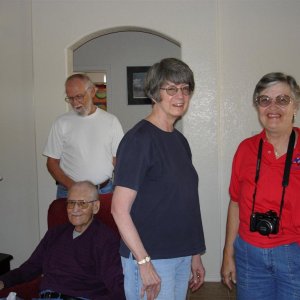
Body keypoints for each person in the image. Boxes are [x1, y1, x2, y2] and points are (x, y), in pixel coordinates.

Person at [111, 58, 206, 300]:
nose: (180, 96)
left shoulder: (179, 140)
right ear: (154, 94)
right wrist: (143, 261)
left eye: (185, 89)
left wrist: (194, 253)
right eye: (171, 89)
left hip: (180, 254)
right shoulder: (138, 140)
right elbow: (119, 210)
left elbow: (185, 202)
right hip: (151, 257)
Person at [221, 72, 300, 300]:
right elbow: (235, 203)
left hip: (294, 252)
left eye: (282, 99)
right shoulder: (245, 149)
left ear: (295, 105)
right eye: (264, 100)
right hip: (249, 253)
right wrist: (228, 253)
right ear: (257, 107)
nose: (272, 107)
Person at [0, 181, 125, 300]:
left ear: (95, 207)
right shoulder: (55, 233)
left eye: (82, 203)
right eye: (71, 203)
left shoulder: (106, 239)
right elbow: (29, 268)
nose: (75, 209)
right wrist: (3, 281)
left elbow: (117, 288)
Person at [43, 73, 124, 198]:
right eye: (70, 98)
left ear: (92, 92)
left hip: (103, 191)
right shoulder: (61, 122)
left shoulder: (111, 121)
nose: (75, 103)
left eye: (79, 96)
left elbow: (118, 159)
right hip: (69, 192)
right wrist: (74, 187)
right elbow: (52, 163)